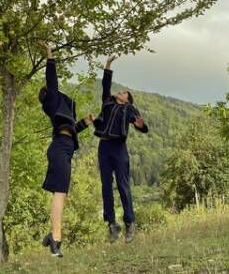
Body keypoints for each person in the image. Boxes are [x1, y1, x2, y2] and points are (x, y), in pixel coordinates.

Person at [39, 44, 94, 257]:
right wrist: (49, 55)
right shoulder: (52, 101)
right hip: (60, 148)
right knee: (60, 193)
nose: (53, 91)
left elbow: (72, 129)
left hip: (66, 147)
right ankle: (56, 240)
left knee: (62, 194)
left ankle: (51, 235)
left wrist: (85, 122)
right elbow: (52, 80)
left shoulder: (62, 112)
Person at [93, 55, 148, 243]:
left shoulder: (129, 108)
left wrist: (140, 125)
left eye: (124, 92)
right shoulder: (107, 102)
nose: (121, 92)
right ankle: (112, 224)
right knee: (106, 186)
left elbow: (141, 125)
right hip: (104, 147)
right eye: (121, 91)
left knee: (123, 186)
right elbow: (105, 84)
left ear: (127, 99)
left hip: (119, 148)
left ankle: (130, 223)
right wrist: (107, 64)